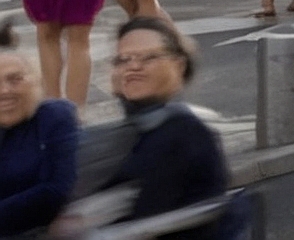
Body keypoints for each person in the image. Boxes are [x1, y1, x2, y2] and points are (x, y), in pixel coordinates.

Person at [62, 17, 230, 240]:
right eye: (123, 59)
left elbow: (151, 216)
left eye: (149, 57)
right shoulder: (137, 129)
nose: (133, 66)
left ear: (178, 65)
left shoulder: (185, 133)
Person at [0, 24, 77, 236]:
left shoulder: (54, 117)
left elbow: (55, 191)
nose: (4, 90)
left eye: (15, 79)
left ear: (34, 80)